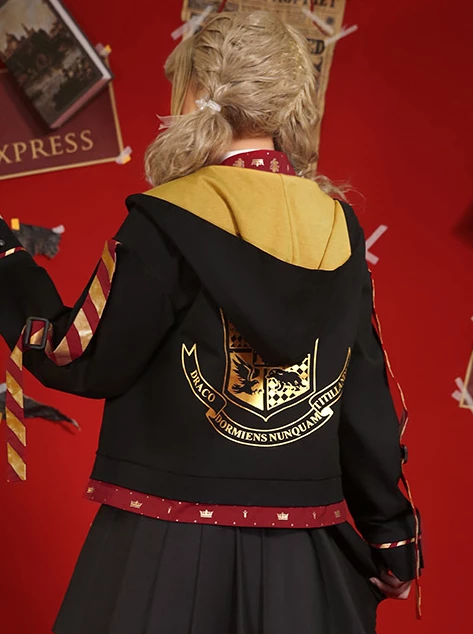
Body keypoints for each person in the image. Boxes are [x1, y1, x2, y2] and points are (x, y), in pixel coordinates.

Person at [0, 11, 421, 634]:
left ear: (195, 91)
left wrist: (9, 264)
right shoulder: (338, 226)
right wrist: (392, 537)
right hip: (302, 551)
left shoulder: (165, 218)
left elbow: (80, 356)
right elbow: (361, 398)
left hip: (165, 545)